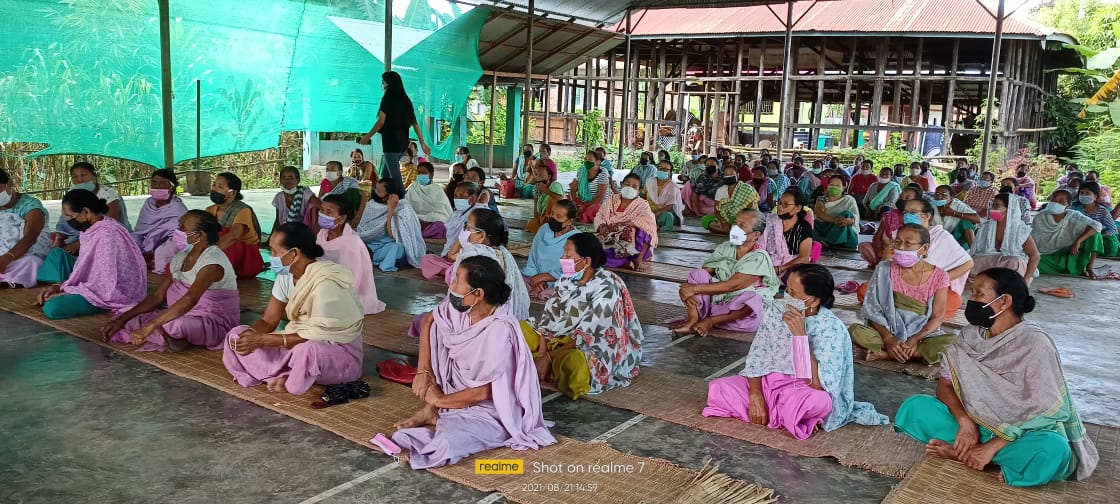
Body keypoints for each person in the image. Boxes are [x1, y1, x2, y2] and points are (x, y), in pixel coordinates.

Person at [894, 268, 1098, 487]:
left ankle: (972, 455)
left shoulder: (1035, 343)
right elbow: (944, 386)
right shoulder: (970, 334)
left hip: (1021, 434)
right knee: (915, 407)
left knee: (1053, 450)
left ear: (1004, 302)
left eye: (978, 294)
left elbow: (1048, 410)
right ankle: (982, 455)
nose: (970, 300)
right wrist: (965, 423)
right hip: (975, 424)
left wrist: (994, 445)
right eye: (972, 292)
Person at [393, 256, 556, 468]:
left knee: (447, 444)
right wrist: (423, 370)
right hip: (454, 395)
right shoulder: (461, 310)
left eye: (458, 280)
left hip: (490, 409)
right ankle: (434, 412)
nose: (451, 286)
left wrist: (438, 400)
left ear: (477, 294)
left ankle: (441, 412)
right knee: (437, 329)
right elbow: (430, 320)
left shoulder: (499, 331)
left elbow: (484, 393)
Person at [704, 264, 888, 440]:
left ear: (813, 300)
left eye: (793, 293)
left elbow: (818, 385)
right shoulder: (776, 311)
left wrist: (800, 336)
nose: (786, 297)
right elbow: (757, 356)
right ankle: (788, 417)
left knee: (819, 402)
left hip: (802, 391)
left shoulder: (831, 329)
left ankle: (784, 413)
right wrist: (756, 395)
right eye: (787, 290)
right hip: (770, 385)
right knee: (718, 388)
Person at [223, 222, 365, 395]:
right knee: (236, 334)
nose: (271, 256)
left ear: (294, 254)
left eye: (275, 251)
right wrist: (250, 336)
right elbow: (269, 320)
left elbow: (316, 335)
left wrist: (262, 340)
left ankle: (291, 379)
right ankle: (291, 374)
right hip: (296, 342)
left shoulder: (325, 281)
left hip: (334, 350)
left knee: (308, 351)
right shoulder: (286, 275)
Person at [522, 233, 643, 399]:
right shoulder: (567, 279)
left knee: (575, 367)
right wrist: (544, 353)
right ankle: (545, 365)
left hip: (585, 347)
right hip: (556, 340)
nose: (562, 258)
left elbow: (589, 337)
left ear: (586, 261)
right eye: (564, 253)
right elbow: (548, 319)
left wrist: (549, 357)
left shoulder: (606, 287)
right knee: (517, 330)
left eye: (568, 255)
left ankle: (540, 365)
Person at [104, 210, 239, 351]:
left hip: (212, 322)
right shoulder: (180, 258)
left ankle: (172, 335)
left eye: (182, 228)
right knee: (130, 318)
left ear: (199, 235)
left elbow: (190, 299)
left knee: (173, 324)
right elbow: (158, 296)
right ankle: (175, 337)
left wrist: (149, 327)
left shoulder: (212, 262)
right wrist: (121, 320)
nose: (177, 231)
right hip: (183, 314)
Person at [849, 224, 955, 364]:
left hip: (921, 335)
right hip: (888, 329)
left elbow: (937, 317)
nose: (901, 248)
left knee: (953, 342)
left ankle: (888, 354)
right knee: (855, 331)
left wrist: (915, 338)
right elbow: (872, 309)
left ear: (924, 248)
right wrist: (888, 338)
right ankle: (912, 354)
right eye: (897, 242)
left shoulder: (940, 276)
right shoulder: (884, 268)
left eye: (908, 243)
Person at [36, 189, 145, 320]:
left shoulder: (107, 235)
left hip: (113, 290)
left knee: (52, 307)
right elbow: (88, 267)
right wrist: (61, 287)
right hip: (97, 281)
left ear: (86, 211)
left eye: (71, 216)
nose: (70, 221)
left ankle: (92, 302)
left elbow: (105, 282)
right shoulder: (92, 229)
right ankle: (69, 290)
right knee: (58, 255)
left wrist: (68, 290)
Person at [673, 209, 779, 336]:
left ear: (756, 235)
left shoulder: (759, 257)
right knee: (697, 274)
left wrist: (694, 289)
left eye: (742, 226)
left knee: (753, 298)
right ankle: (693, 320)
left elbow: (733, 285)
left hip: (738, 314)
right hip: (718, 304)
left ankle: (710, 321)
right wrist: (687, 289)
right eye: (735, 223)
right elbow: (703, 274)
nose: (735, 228)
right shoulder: (725, 247)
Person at [359, 71, 432, 195]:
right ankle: (381, 197)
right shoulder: (406, 100)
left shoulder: (387, 98)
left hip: (391, 144)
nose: (382, 84)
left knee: (397, 182)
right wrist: (422, 143)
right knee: (385, 175)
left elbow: (381, 122)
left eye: (383, 82)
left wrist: (367, 136)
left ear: (388, 83)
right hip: (402, 144)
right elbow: (415, 124)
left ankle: (404, 204)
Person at [318, 195, 387, 314]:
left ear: (342, 218)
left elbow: (354, 277)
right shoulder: (322, 234)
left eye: (328, 212)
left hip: (344, 288)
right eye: (322, 210)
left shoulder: (352, 242)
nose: (322, 214)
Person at [419, 183, 489, 278]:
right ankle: (452, 272)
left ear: (472, 198)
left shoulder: (477, 214)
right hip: (450, 257)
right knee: (426, 259)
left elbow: (473, 242)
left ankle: (452, 272)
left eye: (461, 196)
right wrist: (448, 254)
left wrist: (455, 254)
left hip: (466, 256)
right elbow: (448, 238)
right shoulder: (456, 213)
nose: (457, 199)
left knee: (469, 267)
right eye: (456, 195)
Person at [970, 192, 1040, 284]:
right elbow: (977, 253)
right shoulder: (986, 227)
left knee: (1014, 262)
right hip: (990, 262)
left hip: (1009, 264)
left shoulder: (1020, 229)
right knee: (973, 262)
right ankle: (990, 280)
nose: (992, 209)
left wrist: (1026, 279)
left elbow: (1035, 256)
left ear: (1009, 209)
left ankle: (1012, 282)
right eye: (992, 206)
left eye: (997, 206)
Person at [357, 179, 426, 272]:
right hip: (372, 247)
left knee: (398, 247)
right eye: (376, 189)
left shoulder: (404, 207)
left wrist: (391, 211)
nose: (375, 193)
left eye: (379, 191)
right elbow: (363, 230)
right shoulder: (372, 205)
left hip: (392, 245)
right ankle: (380, 259)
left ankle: (385, 262)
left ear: (391, 194)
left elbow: (393, 235)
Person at [1032, 190, 1103, 277]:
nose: (1055, 203)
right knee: (1029, 263)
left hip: (1069, 253)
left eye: (1061, 201)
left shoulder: (1074, 216)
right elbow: (1034, 242)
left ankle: (1089, 268)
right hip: (1047, 256)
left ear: (1068, 205)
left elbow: (1097, 225)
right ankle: (1069, 269)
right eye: (1053, 199)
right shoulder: (1040, 216)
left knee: (1095, 234)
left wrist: (1078, 241)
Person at [594, 174, 658, 271]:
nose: (629, 188)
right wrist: (602, 226)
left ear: (639, 190)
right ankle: (622, 259)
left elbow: (648, 222)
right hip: (609, 236)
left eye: (634, 186)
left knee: (644, 230)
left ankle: (638, 259)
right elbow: (600, 215)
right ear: (621, 184)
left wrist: (626, 224)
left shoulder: (642, 204)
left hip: (634, 244)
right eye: (627, 184)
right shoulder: (611, 199)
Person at [206, 173, 264, 279]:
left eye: (220, 187)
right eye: (214, 185)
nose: (214, 189)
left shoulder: (242, 210)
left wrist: (207, 254)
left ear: (231, 193)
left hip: (246, 259)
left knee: (225, 234)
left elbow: (234, 236)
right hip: (224, 252)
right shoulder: (210, 210)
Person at [0, 168, 50, 288]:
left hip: (22, 256)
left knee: (32, 263)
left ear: (9, 184)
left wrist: (8, 257)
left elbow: (30, 237)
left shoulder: (31, 206)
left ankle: (7, 280)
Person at [132, 169, 188, 274]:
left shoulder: (178, 208)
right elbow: (140, 230)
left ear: (172, 187)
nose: (156, 186)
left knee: (166, 249)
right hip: (146, 241)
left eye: (162, 183)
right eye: (154, 183)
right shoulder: (149, 203)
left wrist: (152, 249)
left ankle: (150, 261)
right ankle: (141, 259)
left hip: (165, 243)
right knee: (129, 241)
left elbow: (179, 236)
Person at [523, 200, 580, 299]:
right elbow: (532, 258)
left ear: (570, 221)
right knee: (515, 283)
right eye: (552, 214)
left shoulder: (577, 238)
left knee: (563, 293)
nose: (553, 218)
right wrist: (536, 279)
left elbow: (572, 271)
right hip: (534, 277)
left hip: (559, 281)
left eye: (559, 217)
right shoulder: (544, 229)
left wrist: (545, 277)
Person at [761, 188, 819, 282]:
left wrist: (781, 268)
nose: (780, 207)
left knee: (802, 278)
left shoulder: (803, 227)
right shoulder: (770, 221)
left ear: (798, 208)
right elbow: (760, 247)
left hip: (792, 266)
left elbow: (804, 257)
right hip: (769, 262)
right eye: (780, 203)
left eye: (785, 204)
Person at [859, 186, 923, 267]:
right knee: (864, 246)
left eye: (907, 198)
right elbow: (877, 237)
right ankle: (881, 262)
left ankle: (892, 264)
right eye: (901, 197)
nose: (902, 200)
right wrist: (880, 253)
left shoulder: (918, 219)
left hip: (904, 251)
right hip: (885, 251)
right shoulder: (889, 216)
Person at [705, 164, 760, 234]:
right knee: (706, 220)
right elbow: (716, 211)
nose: (729, 176)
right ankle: (731, 231)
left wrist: (738, 221)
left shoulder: (747, 189)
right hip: (726, 217)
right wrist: (724, 222)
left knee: (749, 225)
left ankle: (729, 230)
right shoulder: (720, 190)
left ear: (737, 175)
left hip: (742, 219)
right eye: (726, 174)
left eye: (731, 173)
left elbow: (751, 209)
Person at [406, 161, 453, 238]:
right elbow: (406, 206)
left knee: (441, 226)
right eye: (419, 173)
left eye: (424, 173)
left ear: (431, 175)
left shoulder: (437, 190)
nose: (421, 175)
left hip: (433, 221)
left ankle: (420, 235)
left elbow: (444, 211)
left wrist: (429, 218)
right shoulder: (413, 188)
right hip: (416, 219)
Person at [812, 175, 859, 250]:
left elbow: (855, 217)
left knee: (846, 214)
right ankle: (825, 241)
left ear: (843, 187)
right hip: (825, 228)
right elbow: (819, 213)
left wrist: (847, 221)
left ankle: (830, 241)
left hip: (842, 228)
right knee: (810, 222)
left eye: (837, 186)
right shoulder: (821, 199)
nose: (834, 187)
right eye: (831, 185)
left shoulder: (849, 200)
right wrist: (835, 220)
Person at [1073, 182, 1119, 258]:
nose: (1084, 195)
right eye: (1081, 193)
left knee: (1111, 248)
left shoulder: (1102, 211)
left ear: (1095, 196)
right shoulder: (1073, 208)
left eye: (1087, 193)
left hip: (1097, 235)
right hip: (1077, 234)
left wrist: (1098, 236)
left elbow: (1113, 229)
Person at [272, 165, 317, 235]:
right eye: (284, 177)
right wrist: (271, 238)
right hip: (285, 231)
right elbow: (278, 220)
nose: (287, 180)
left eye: (291, 177)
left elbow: (320, 206)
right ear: (280, 180)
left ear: (297, 180)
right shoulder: (279, 197)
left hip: (303, 232)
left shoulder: (306, 194)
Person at [523, 161, 566, 233]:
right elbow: (536, 206)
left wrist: (546, 191)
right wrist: (537, 219)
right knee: (531, 223)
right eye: (537, 175)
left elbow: (562, 199)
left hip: (557, 219)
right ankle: (546, 227)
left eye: (541, 175)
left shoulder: (555, 185)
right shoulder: (537, 188)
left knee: (552, 200)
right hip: (544, 219)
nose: (538, 177)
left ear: (549, 176)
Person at [932, 185, 980, 249]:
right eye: (936, 194)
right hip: (937, 239)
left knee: (966, 222)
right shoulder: (931, 206)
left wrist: (954, 213)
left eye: (944, 194)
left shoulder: (958, 205)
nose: (939, 197)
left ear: (951, 198)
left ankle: (974, 251)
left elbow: (977, 219)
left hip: (955, 237)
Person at [570, 150, 611, 223]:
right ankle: (580, 213)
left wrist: (585, 205)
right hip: (584, 202)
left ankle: (582, 215)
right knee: (565, 202)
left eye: (590, 160)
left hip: (599, 203)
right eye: (585, 159)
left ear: (598, 162)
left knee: (595, 209)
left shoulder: (603, 172)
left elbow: (600, 196)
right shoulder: (582, 171)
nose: (587, 162)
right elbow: (573, 189)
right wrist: (574, 200)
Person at [646, 159, 685, 231]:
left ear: (670, 172)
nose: (663, 171)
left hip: (662, 213)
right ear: (657, 169)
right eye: (661, 168)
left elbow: (669, 206)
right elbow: (642, 197)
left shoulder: (672, 186)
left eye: (666, 169)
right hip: (648, 211)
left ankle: (655, 225)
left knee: (668, 216)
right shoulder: (649, 182)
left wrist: (655, 214)